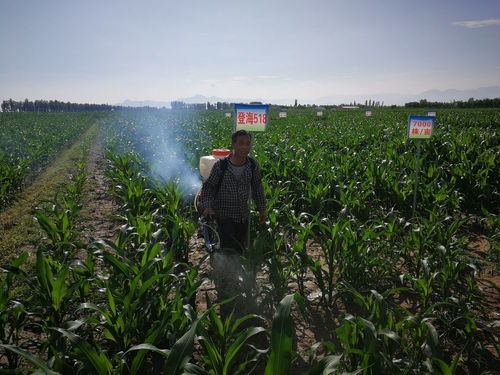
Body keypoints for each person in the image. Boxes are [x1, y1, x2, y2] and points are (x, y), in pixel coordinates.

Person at [200, 129, 267, 254]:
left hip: (243, 216)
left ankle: (236, 269)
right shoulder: (221, 166)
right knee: (228, 249)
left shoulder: (253, 165)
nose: (245, 147)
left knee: (241, 248)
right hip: (224, 216)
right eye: (241, 143)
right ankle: (227, 271)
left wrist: (262, 210)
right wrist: (207, 206)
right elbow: (208, 187)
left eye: (247, 143)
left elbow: (257, 189)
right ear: (233, 144)